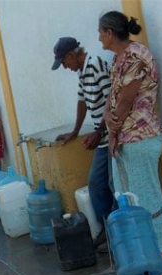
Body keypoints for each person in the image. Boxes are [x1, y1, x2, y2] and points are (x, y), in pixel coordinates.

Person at [98, 11, 162, 260]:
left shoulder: (134, 56)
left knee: (146, 195)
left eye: (100, 32)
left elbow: (125, 101)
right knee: (127, 198)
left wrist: (111, 134)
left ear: (109, 33)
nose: (98, 38)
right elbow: (114, 94)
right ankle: (142, 247)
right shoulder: (119, 58)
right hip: (125, 138)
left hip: (140, 137)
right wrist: (106, 121)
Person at [52, 37, 114, 251]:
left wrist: (99, 131)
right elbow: (81, 101)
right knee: (98, 184)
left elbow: (111, 101)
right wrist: (75, 131)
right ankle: (108, 231)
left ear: (71, 55)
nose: (65, 67)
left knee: (108, 185)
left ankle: (113, 233)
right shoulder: (82, 70)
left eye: (64, 62)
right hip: (102, 138)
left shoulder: (96, 64)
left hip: (111, 136)